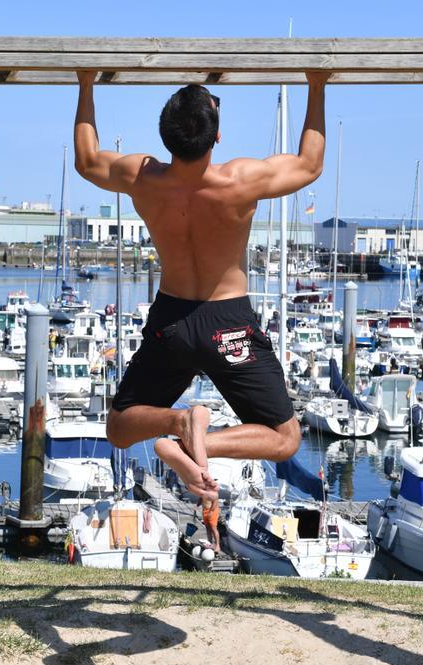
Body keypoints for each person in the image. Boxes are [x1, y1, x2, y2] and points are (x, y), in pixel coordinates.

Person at [74, 70, 328, 499]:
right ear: (217, 137)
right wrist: (317, 85)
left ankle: (181, 423)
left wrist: (85, 84)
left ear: (165, 133)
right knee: (285, 438)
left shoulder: (143, 177)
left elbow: (86, 158)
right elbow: (309, 163)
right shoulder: (240, 180)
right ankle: (202, 442)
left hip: (172, 319)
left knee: (119, 427)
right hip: (228, 320)